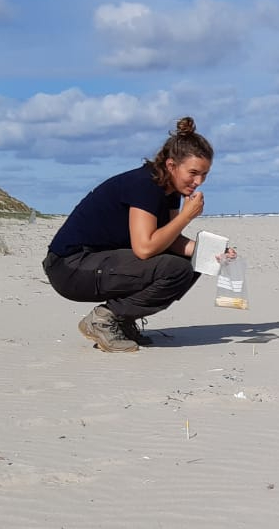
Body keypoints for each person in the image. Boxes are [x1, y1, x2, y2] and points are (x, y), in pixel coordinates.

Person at [42, 116, 235, 353]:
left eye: (204, 175)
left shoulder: (169, 189)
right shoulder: (145, 185)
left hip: (98, 263)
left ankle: (121, 320)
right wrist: (187, 216)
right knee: (176, 269)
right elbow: (145, 248)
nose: (199, 182)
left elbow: (171, 241)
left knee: (195, 262)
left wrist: (215, 253)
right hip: (69, 267)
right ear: (172, 165)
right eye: (193, 173)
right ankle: (104, 319)